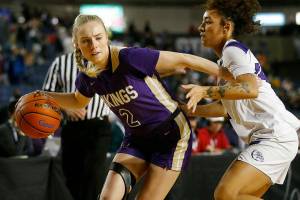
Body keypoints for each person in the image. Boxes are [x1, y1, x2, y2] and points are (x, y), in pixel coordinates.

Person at [23, 14, 231, 200]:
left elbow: (185, 59)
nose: (93, 45)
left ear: (106, 37)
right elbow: (78, 101)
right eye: (86, 41)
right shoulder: (88, 75)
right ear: (77, 45)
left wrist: (229, 77)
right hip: (137, 138)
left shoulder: (129, 57)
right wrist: (44, 95)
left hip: (171, 135)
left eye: (98, 38)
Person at [182, 0, 300, 199]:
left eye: (208, 22)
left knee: (225, 194)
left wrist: (205, 90)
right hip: (269, 137)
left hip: (274, 136)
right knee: (238, 196)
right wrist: (188, 109)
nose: (201, 27)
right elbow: (223, 108)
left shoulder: (232, 50)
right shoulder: (227, 60)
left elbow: (250, 89)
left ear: (226, 27)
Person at [42, 52, 112, 200]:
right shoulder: (60, 62)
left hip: (98, 127)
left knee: (92, 176)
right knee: (72, 178)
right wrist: (66, 108)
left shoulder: (107, 60)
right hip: (71, 128)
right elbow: (45, 96)